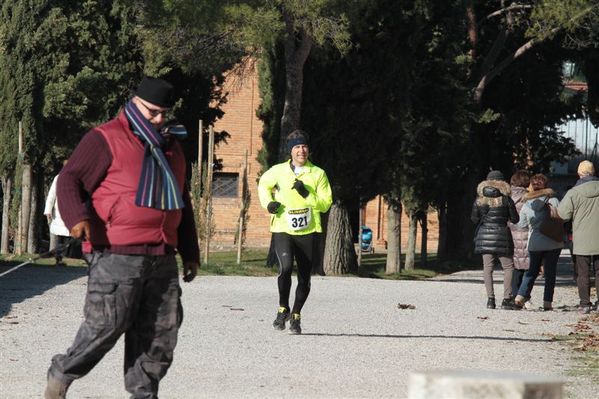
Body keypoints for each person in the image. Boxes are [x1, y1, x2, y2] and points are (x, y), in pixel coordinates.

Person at [44, 77, 200, 398]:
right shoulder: (105, 138)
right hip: (115, 252)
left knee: (160, 332)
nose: (159, 119)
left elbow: (181, 201)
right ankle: (62, 373)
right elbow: (70, 179)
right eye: (153, 112)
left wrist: (191, 251)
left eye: (163, 114)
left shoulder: (172, 148)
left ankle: (143, 393)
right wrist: (77, 218)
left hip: (162, 254)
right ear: (135, 104)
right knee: (105, 326)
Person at [258, 130, 332, 335]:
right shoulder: (278, 171)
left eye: (304, 146)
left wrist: (306, 193)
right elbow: (263, 186)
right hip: (283, 228)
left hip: (308, 231)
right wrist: (269, 204)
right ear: (290, 151)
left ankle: (296, 314)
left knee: (305, 278)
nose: (302, 150)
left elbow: (326, 204)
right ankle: (283, 308)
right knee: (285, 268)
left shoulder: (318, 174)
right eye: (297, 147)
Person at [514, 174, 563, 311]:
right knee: (550, 273)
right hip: (553, 240)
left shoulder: (526, 203)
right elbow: (561, 217)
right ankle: (547, 303)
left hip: (535, 241)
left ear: (531, 185)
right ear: (546, 185)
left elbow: (522, 224)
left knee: (532, 271)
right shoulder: (553, 200)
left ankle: (520, 295)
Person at [471, 170, 519, 310]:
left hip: (485, 236)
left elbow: (474, 219)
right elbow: (515, 219)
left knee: (487, 268)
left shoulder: (479, 199)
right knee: (508, 267)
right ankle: (506, 299)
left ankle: (490, 300)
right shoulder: (506, 199)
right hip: (502, 235)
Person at [557, 160, 599, 314]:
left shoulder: (574, 192)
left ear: (579, 173)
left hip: (581, 239)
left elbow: (563, 214)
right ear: (593, 172)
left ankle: (585, 304)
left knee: (583, 273)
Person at [508, 170, 532, 308]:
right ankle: (524, 296)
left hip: (511, 234)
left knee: (515, 266)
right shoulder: (528, 198)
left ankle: (514, 294)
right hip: (526, 234)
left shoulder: (507, 197)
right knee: (528, 266)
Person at [44, 160, 70, 265]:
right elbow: (52, 195)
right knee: (60, 237)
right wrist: (48, 210)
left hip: (71, 212)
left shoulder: (77, 178)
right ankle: (59, 257)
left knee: (69, 237)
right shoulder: (58, 178)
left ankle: (65, 256)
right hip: (60, 211)